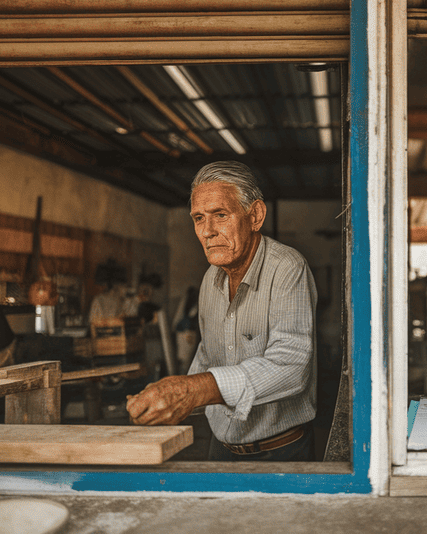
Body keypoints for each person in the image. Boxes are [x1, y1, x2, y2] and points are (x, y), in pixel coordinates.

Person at [126, 160, 318, 461]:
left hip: (279, 451)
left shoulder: (287, 268)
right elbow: (208, 354)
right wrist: (170, 398)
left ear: (254, 215)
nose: (208, 231)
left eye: (220, 215)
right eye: (199, 218)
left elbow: (292, 366)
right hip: (220, 446)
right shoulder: (210, 278)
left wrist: (193, 391)